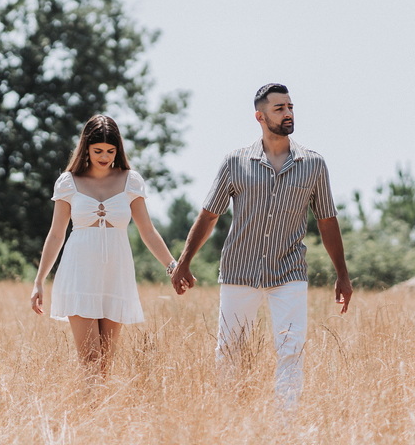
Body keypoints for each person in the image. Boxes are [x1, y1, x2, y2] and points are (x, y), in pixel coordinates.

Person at [171, 83, 352, 406]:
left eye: (290, 107)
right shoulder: (234, 162)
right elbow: (209, 215)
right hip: (240, 269)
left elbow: (327, 220)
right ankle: (231, 418)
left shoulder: (313, 164)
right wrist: (184, 261)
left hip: (289, 270)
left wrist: (342, 274)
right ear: (260, 116)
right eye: (279, 109)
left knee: (291, 348)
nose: (288, 114)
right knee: (230, 349)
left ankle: (286, 428)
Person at [31, 115, 178, 376]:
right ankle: (87, 415)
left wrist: (172, 266)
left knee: (105, 364)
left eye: (110, 151)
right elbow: (56, 234)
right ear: (86, 147)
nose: (104, 156)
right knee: (89, 359)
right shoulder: (68, 182)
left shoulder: (130, 181)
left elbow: (147, 230)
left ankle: (99, 416)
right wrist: (39, 280)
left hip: (116, 275)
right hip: (79, 274)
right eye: (98, 150)